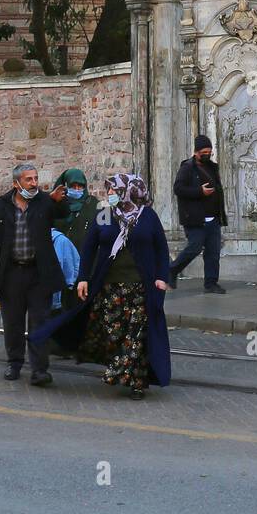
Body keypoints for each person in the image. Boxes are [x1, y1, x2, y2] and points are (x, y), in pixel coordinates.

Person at [31, 173, 171, 399]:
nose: (110, 195)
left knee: (136, 335)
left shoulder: (147, 217)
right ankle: (121, 367)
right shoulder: (106, 214)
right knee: (114, 332)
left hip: (140, 287)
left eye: (115, 191)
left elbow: (161, 250)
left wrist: (162, 277)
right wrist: (83, 278)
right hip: (108, 287)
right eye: (109, 191)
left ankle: (135, 381)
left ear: (129, 192)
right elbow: (90, 246)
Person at [0, 163, 69, 385]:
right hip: (11, 274)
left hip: (38, 274)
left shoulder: (44, 201)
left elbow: (64, 214)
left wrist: (58, 200)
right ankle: (14, 363)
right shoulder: (1, 206)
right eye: (29, 179)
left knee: (39, 322)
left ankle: (39, 370)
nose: (34, 183)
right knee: (13, 323)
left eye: (36, 178)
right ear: (16, 183)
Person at [169, 135, 227, 293]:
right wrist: (199, 191)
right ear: (196, 152)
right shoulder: (187, 167)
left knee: (213, 252)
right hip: (195, 218)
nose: (207, 154)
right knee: (194, 247)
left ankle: (211, 283)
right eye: (204, 152)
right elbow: (178, 189)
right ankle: (172, 270)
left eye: (209, 151)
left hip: (213, 218)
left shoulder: (212, 167)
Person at [52, 167, 99, 254]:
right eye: (73, 186)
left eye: (80, 186)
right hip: (62, 254)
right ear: (65, 186)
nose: (77, 189)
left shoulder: (92, 203)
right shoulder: (56, 205)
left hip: (87, 255)